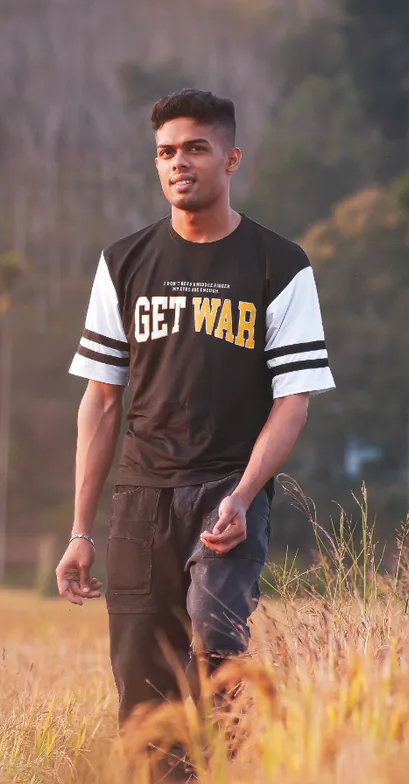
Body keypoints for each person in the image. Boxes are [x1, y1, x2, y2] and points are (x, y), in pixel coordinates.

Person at [55, 88, 335, 780]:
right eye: (166, 153)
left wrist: (243, 496)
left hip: (226, 494)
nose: (179, 163)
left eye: (195, 149)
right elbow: (99, 401)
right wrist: (81, 529)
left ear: (231, 158)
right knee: (142, 689)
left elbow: (293, 400)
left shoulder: (279, 264)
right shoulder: (123, 263)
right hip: (141, 501)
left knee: (216, 650)